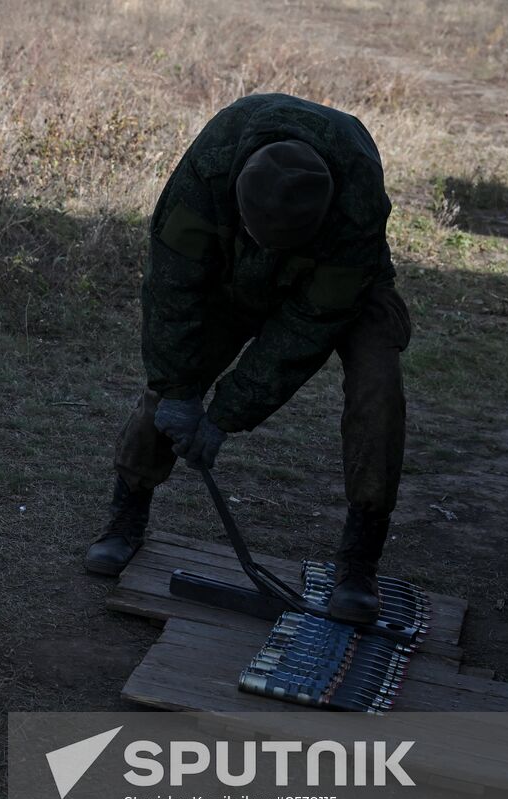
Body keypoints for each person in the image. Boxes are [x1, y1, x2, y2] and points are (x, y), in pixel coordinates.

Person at [83, 93, 412, 625]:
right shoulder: (208, 171)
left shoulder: (356, 200)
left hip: (342, 285)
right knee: (168, 389)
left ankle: (358, 562)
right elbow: (173, 291)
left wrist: (226, 415)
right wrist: (180, 390)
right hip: (230, 269)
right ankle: (126, 515)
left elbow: (306, 327)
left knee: (380, 392)